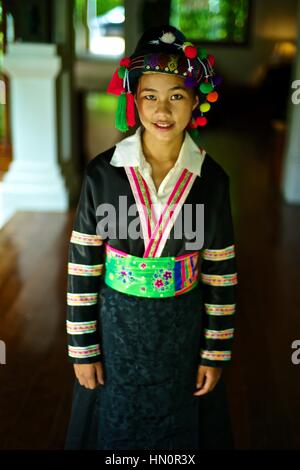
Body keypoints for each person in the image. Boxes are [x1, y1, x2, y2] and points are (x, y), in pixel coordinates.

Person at [64, 24, 238, 450]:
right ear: (133, 99)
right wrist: (83, 349)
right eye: (150, 96)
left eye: (177, 95)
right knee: (116, 425)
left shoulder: (211, 180)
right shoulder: (102, 175)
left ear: (196, 100)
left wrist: (213, 353)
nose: (163, 110)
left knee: (178, 429)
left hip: (183, 327)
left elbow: (221, 273)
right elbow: (82, 266)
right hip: (115, 326)